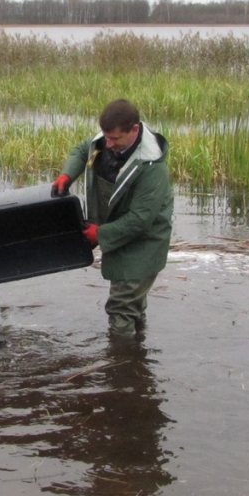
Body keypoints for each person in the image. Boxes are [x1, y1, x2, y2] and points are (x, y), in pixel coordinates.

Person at [51, 98, 173, 336]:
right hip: (119, 233)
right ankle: (138, 357)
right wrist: (67, 176)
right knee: (133, 306)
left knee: (120, 309)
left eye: (115, 139)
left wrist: (100, 233)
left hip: (143, 244)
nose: (108, 144)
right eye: (106, 137)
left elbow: (140, 219)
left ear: (134, 130)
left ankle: (121, 366)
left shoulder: (152, 168)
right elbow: (81, 150)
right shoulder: (106, 142)